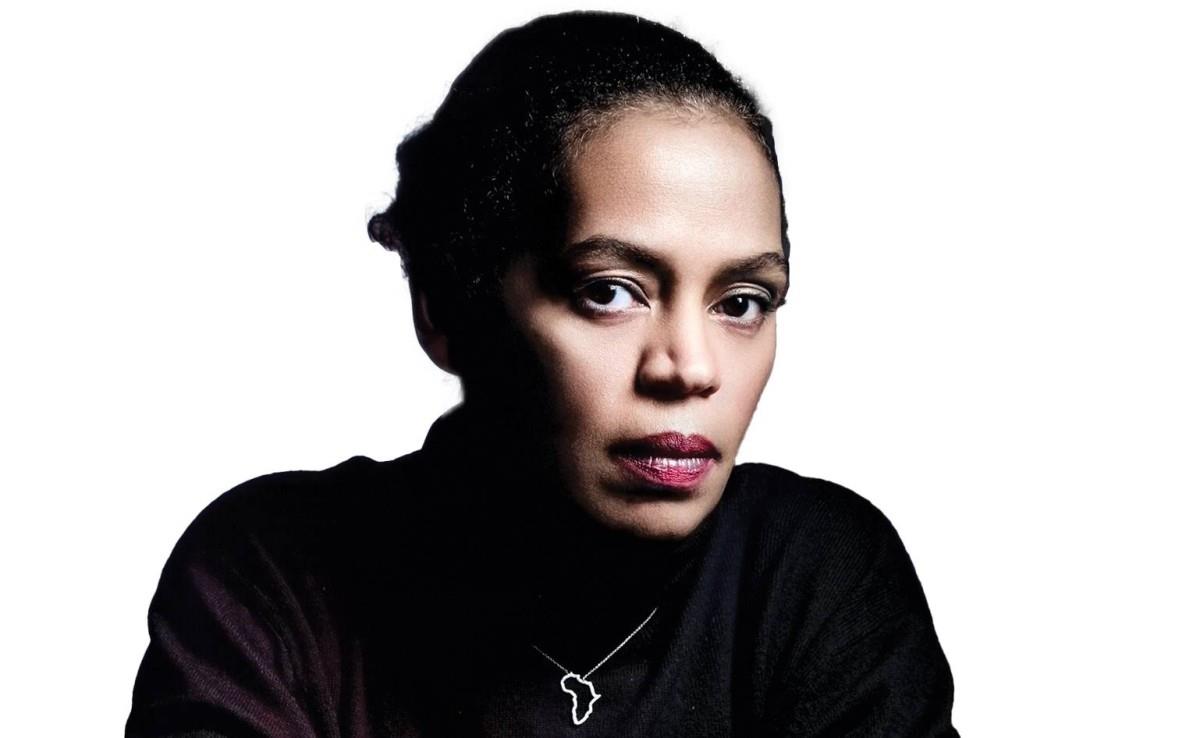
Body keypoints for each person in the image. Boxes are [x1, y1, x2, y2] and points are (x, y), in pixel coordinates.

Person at [127, 11, 957, 737]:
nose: (692, 369)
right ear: (447, 309)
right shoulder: (269, 578)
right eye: (610, 292)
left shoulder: (819, 578)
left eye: (741, 303)